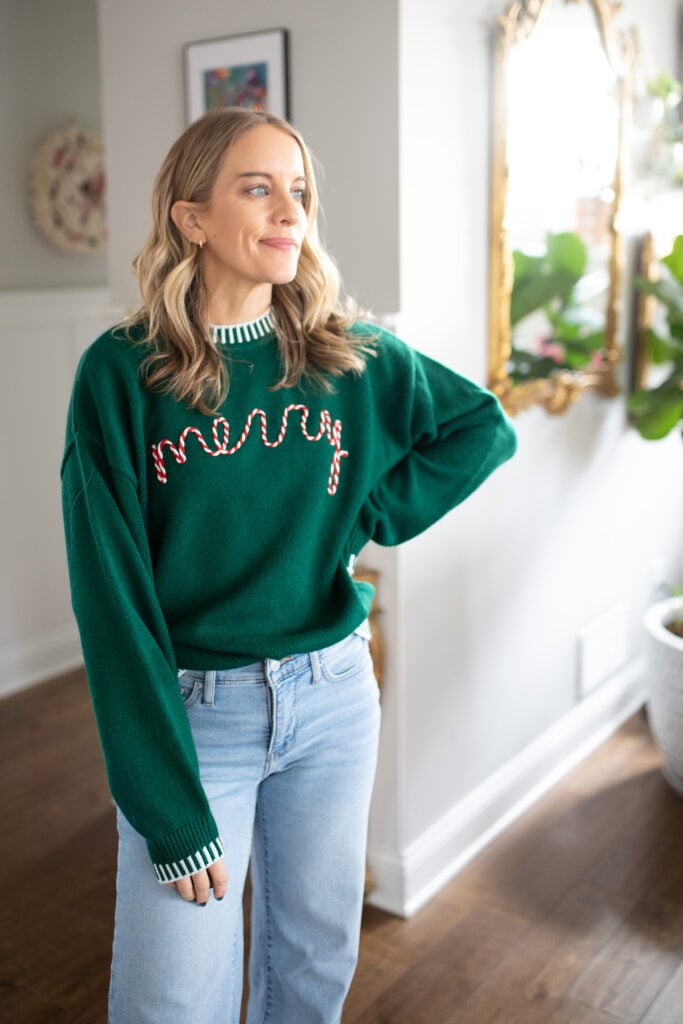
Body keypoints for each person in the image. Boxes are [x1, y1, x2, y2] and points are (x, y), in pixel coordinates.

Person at [61, 106, 516, 1024]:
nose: (288, 212)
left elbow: (481, 427)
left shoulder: (343, 353)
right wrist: (168, 807)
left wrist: (363, 514)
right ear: (190, 216)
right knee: (168, 1003)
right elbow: (111, 603)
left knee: (310, 973)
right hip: (195, 718)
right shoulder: (122, 373)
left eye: (298, 191)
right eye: (257, 187)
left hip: (333, 697)